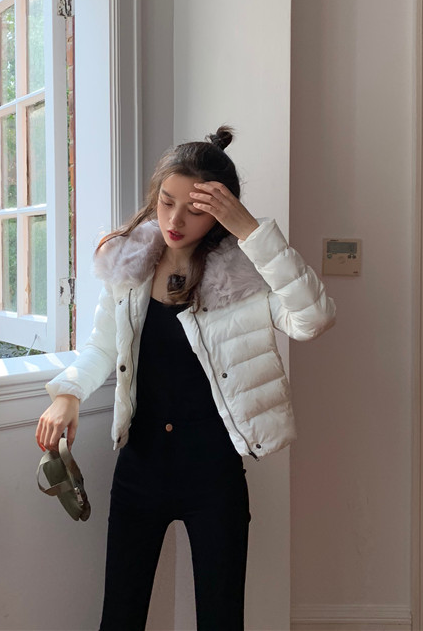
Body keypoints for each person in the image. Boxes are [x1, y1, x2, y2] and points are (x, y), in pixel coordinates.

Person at [35, 126, 336, 631]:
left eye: (194, 209)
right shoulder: (129, 269)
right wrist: (67, 394)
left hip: (214, 475)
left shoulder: (245, 279)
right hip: (140, 468)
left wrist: (252, 232)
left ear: (221, 213)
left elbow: (313, 320)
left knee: (221, 620)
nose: (174, 220)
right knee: (120, 618)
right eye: (166, 202)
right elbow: (103, 347)